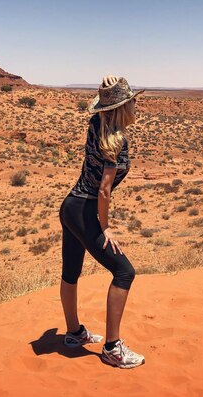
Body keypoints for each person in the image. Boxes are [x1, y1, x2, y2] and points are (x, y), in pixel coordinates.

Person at [58, 75, 145, 369]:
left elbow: (93, 108)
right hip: (84, 211)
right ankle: (112, 348)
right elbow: (104, 190)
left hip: (69, 206)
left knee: (71, 272)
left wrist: (105, 90)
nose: (137, 104)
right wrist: (104, 226)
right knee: (124, 272)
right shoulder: (117, 141)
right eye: (133, 100)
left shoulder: (96, 126)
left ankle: (73, 333)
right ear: (123, 107)